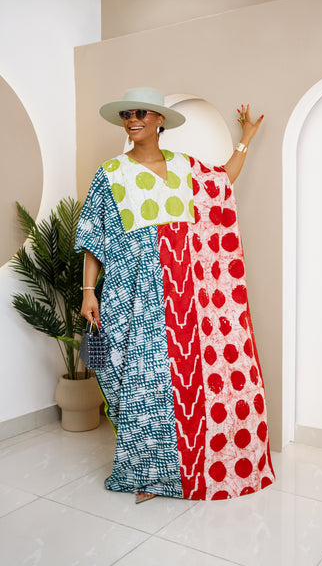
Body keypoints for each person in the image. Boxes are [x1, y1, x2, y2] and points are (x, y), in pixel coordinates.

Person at [75, 87, 275, 503]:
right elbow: (96, 239)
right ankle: (148, 473)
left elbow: (224, 179)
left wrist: (246, 139)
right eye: (127, 114)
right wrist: (88, 292)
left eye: (142, 113)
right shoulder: (110, 173)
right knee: (135, 381)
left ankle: (192, 467)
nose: (133, 119)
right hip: (136, 298)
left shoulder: (186, 168)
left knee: (195, 381)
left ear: (159, 121)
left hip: (192, 298)